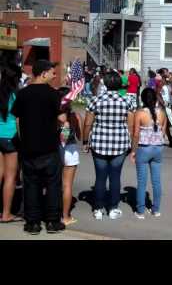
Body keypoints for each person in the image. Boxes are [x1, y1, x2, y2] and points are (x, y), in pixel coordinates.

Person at [11, 60, 67, 235]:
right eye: (52, 72)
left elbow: (17, 119)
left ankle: (33, 223)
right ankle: (52, 221)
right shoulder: (53, 94)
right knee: (52, 185)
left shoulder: (23, 94)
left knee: (31, 185)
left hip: (28, 147)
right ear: (43, 73)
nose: (54, 76)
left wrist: (23, 139)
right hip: (49, 147)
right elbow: (62, 119)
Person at [83, 71, 135, 221]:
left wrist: (86, 142)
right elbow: (130, 126)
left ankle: (98, 209)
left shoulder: (95, 100)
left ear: (105, 84)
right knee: (115, 177)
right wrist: (131, 145)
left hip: (99, 143)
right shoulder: (127, 101)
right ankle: (113, 208)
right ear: (119, 85)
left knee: (100, 177)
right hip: (119, 145)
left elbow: (87, 124)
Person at [130, 88, 167, 219]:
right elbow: (163, 132)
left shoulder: (139, 113)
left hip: (144, 148)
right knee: (156, 181)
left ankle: (140, 211)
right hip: (158, 148)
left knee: (142, 182)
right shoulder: (162, 113)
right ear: (155, 99)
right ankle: (155, 209)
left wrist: (133, 151)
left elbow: (135, 134)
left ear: (142, 99)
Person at [57, 87, 83, 226]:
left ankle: (53, 212)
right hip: (70, 150)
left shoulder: (54, 114)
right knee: (67, 185)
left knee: (55, 183)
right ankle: (65, 216)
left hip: (54, 149)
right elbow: (79, 136)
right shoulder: (74, 116)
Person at [0, 64, 22, 223]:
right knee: (10, 177)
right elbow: (18, 120)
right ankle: (6, 213)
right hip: (11, 137)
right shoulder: (15, 95)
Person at [158, 68, 172, 148]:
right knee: (162, 124)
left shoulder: (167, 83)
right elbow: (157, 94)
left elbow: (171, 92)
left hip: (168, 105)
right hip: (162, 106)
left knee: (169, 124)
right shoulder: (160, 83)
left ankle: (171, 140)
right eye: (166, 72)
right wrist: (162, 103)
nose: (168, 73)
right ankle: (167, 140)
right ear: (162, 74)